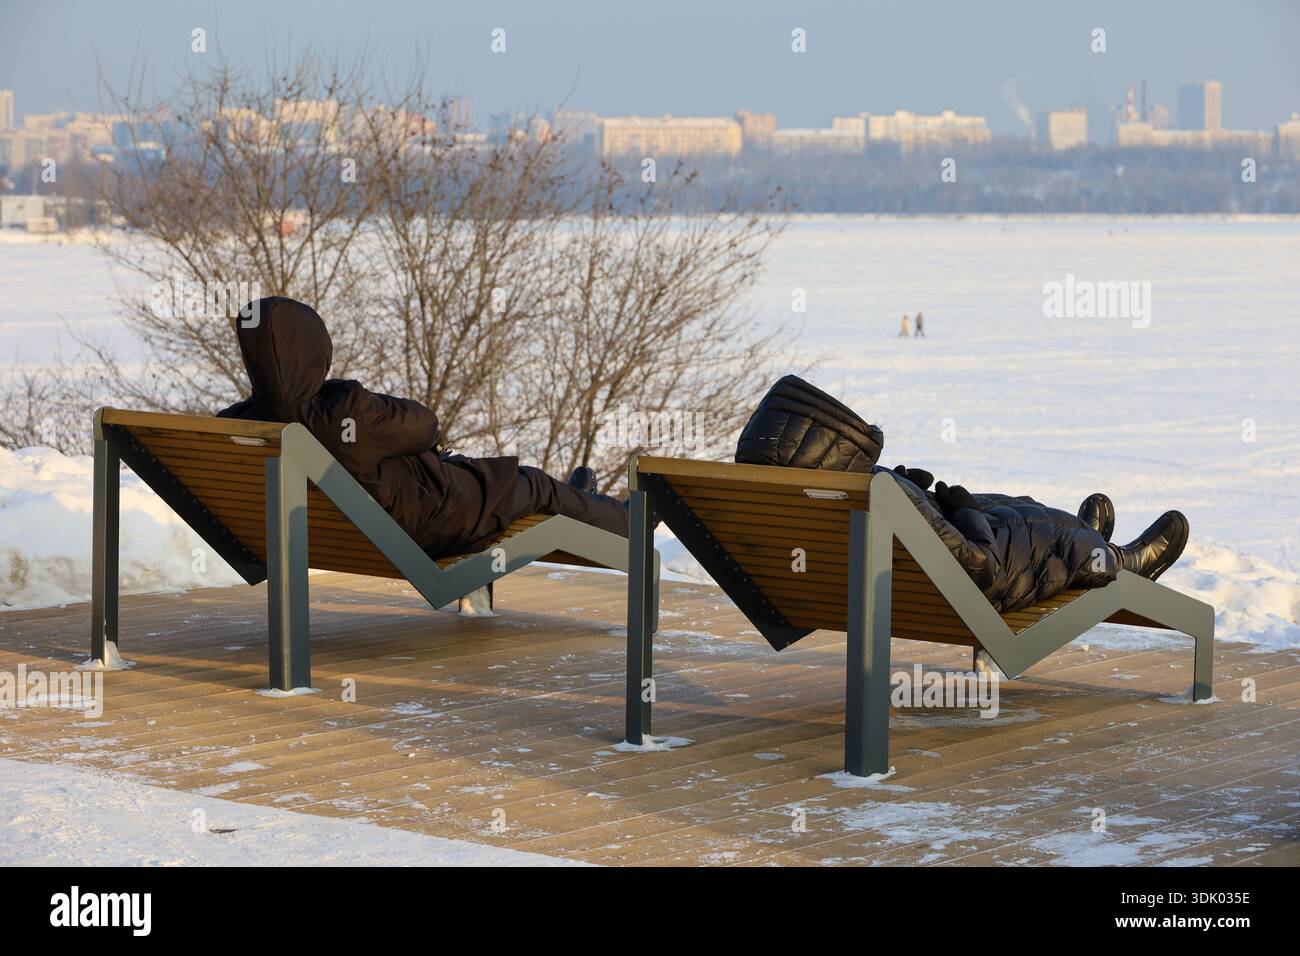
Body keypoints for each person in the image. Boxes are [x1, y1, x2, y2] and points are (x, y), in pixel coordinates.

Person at [735, 375, 1189, 615]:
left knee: (1013, 508)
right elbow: (980, 568)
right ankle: (1115, 561)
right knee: (1033, 529)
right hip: (964, 591)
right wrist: (961, 512)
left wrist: (910, 487)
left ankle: (1080, 539)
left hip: (868, 589)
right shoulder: (872, 490)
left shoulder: (773, 485)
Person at [217, 297, 628, 558]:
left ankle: (581, 501)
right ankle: (626, 525)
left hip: (344, 540)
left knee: (482, 473)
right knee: (534, 485)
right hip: (427, 526)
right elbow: (425, 426)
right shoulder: (346, 411)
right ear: (313, 350)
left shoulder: (238, 422)